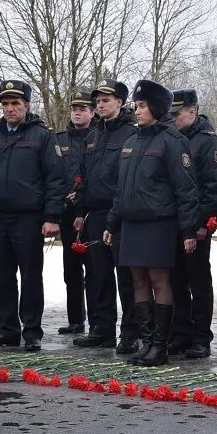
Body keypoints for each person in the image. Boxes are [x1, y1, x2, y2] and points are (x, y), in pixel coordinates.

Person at [103, 80, 199, 366]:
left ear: (157, 108)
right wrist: (111, 223)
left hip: (159, 223)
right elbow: (122, 190)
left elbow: (186, 188)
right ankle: (146, 343)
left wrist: (188, 229)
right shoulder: (131, 142)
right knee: (138, 281)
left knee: (159, 281)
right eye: (137, 105)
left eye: (143, 106)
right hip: (132, 223)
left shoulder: (172, 141)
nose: (137, 110)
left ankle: (160, 346)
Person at [0, 80, 65, 353]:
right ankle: (7, 328)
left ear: (27, 105)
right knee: (0, 276)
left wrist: (52, 216)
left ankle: (32, 331)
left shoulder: (43, 137)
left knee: (30, 276)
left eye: (15, 103)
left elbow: (56, 179)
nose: (10, 109)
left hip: (29, 218)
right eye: (5, 104)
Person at [72, 80, 140, 352]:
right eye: (97, 100)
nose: (100, 104)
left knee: (126, 275)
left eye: (106, 100)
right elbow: (84, 175)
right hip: (95, 213)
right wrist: (80, 207)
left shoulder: (131, 133)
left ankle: (130, 332)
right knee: (98, 274)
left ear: (120, 102)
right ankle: (101, 328)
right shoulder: (93, 134)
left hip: (121, 214)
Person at [167, 89, 217, 359]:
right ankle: (180, 333)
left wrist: (203, 223)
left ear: (192, 111)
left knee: (199, 281)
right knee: (176, 280)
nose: (173, 118)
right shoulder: (173, 138)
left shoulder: (208, 142)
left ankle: (201, 337)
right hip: (175, 223)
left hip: (198, 225)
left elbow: (214, 188)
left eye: (177, 114)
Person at [55, 90, 96, 336]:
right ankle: (75, 319)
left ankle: (98, 321)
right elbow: (53, 172)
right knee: (70, 269)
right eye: (74, 109)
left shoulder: (98, 137)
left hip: (91, 211)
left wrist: (83, 193)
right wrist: (63, 194)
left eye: (83, 109)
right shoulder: (59, 140)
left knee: (94, 269)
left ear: (92, 112)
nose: (77, 113)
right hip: (67, 210)